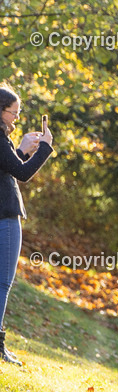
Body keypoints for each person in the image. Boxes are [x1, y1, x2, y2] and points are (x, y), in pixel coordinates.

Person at [0, 87, 54, 366]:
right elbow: (21, 173)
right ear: (1, 111)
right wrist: (44, 147)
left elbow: (7, 165)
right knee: (2, 283)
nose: (16, 119)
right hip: (5, 217)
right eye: (14, 113)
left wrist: (21, 149)